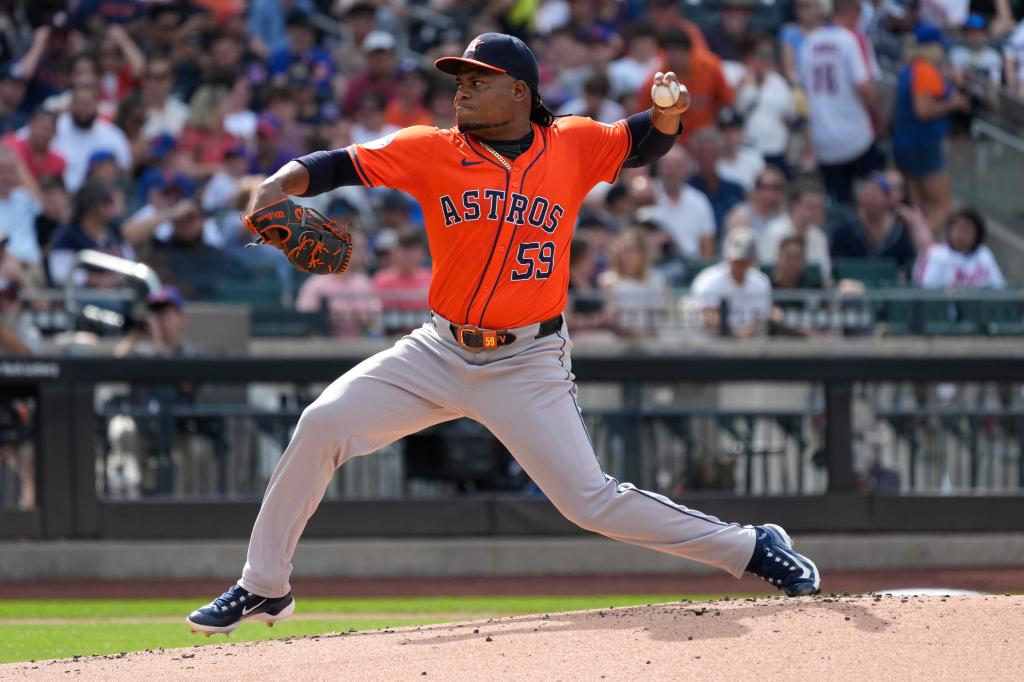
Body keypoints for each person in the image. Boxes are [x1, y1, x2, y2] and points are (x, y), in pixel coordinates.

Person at [186, 32, 819, 636]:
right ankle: (265, 582)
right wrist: (276, 185)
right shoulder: (433, 149)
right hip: (436, 350)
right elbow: (334, 166)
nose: (460, 89)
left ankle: (751, 546)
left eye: (476, 79)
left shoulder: (570, 144)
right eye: (458, 79)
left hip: (528, 360)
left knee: (587, 501)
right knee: (322, 423)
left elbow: (643, 141)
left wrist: (670, 113)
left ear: (519, 91)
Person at [799, 0, 885, 205]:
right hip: (857, 137)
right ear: (855, 12)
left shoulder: (808, 42)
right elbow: (865, 87)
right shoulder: (851, 39)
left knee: (839, 208)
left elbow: (803, 90)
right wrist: (880, 118)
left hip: (823, 141)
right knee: (875, 202)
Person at [891, 26, 971, 235]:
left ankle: (913, 253)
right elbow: (923, 110)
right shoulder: (924, 70)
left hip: (905, 142)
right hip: (922, 143)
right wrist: (954, 103)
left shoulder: (909, 69)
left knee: (918, 208)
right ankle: (922, 254)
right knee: (943, 204)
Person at [636, 30, 733, 145]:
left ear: (688, 51)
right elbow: (642, 117)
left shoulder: (710, 67)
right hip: (674, 139)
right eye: (669, 51)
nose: (674, 56)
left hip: (706, 133)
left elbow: (727, 100)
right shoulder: (656, 81)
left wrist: (720, 126)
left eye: (678, 51)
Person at [690, 226, 773, 337]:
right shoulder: (708, 281)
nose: (740, 265)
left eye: (745, 261)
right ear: (727, 256)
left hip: (752, 344)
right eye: (737, 261)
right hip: (713, 345)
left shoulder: (760, 281)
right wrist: (737, 333)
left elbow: (764, 317)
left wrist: (750, 330)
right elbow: (708, 319)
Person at [52, 84, 133, 192]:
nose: (83, 109)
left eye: (88, 104)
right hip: (60, 195)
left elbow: (125, 169)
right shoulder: (54, 128)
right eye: (79, 103)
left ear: (97, 105)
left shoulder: (113, 134)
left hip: (99, 198)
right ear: (71, 104)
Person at [640, 145, 716, 261]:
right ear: (659, 168)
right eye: (668, 166)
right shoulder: (647, 194)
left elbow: (707, 242)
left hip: (691, 265)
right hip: (655, 263)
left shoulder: (699, 200)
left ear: (687, 170)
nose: (672, 172)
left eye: (678, 167)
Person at [829, 175, 918, 271]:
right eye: (866, 195)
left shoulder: (900, 231)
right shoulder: (844, 230)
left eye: (874, 196)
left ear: (887, 199)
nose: (870, 200)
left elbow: (909, 265)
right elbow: (836, 266)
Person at [735, 36, 797, 174]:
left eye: (768, 55)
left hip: (776, 149)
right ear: (748, 56)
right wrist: (747, 84)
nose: (764, 60)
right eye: (759, 55)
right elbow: (736, 111)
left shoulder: (779, 82)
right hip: (748, 149)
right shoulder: (737, 77)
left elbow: (790, 115)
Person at [598, 228, 669, 337]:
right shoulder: (607, 281)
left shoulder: (657, 279)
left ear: (643, 254)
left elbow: (663, 313)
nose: (626, 257)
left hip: (654, 338)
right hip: (621, 340)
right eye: (622, 252)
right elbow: (610, 317)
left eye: (632, 251)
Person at [914, 208, 1006, 289]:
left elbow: (999, 288)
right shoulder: (934, 253)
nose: (961, 234)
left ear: (977, 234)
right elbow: (924, 291)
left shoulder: (983, 253)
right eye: (958, 228)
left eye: (967, 230)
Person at [760, 181, 831, 281]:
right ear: (794, 205)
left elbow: (825, 273)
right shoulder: (775, 231)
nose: (814, 211)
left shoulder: (819, 236)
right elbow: (767, 269)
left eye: (818, 207)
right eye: (810, 206)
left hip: (812, 292)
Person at [688, 127, 746, 235]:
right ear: (695, 156)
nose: (707, 158)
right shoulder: (687, 190)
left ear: (718, 155)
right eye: (702, 153)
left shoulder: (735, 189)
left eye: (711, 153)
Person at [715, 108, 765, 192]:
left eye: (733, 131)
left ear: (742, 134)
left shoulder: (754, 159)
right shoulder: (709, 161)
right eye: (724, 132)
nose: (728, 136)